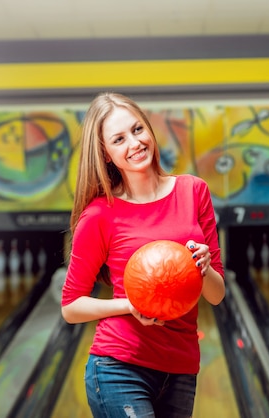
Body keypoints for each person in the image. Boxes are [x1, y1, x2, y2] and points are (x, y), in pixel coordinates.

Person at [61, 92, 225, 418]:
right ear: (106, 154)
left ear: (149, 129)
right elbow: (71, 307)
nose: (134, 143)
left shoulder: (193, 191)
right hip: (119, 367)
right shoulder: (99, 215)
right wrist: (129, 306)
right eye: (119, 139)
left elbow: (217, 296)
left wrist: (205, 268)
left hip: (181, 366)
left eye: (137, 130)